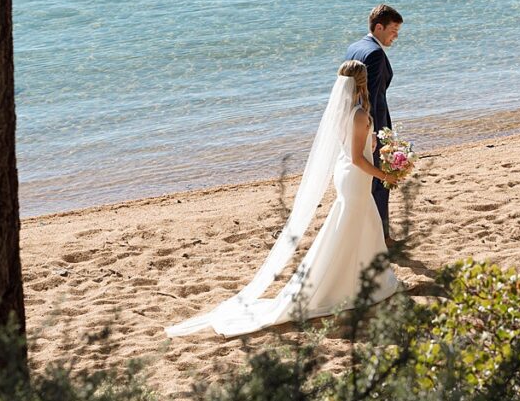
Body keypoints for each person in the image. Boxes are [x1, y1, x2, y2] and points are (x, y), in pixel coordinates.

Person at [165, 61, 400, 337]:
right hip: (355, 176)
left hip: (346, 174)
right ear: (362, 81)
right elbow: (358, 158)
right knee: (354, 226)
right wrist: (385, 175)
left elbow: (352, 149)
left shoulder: (342, 113)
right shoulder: (359, 115)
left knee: (357, 225)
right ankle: (349, 284)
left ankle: (361, 279)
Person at [344, 4, 403, 245]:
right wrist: (377, 135)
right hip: (372, 126)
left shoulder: (354, 47)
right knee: (379, 182)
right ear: (379, 27)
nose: (395, 36)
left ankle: (367, 234)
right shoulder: (376, 54)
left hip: (354, 121)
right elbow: (374, 98)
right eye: (393, 30)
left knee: (362, 183)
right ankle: (382, 237)